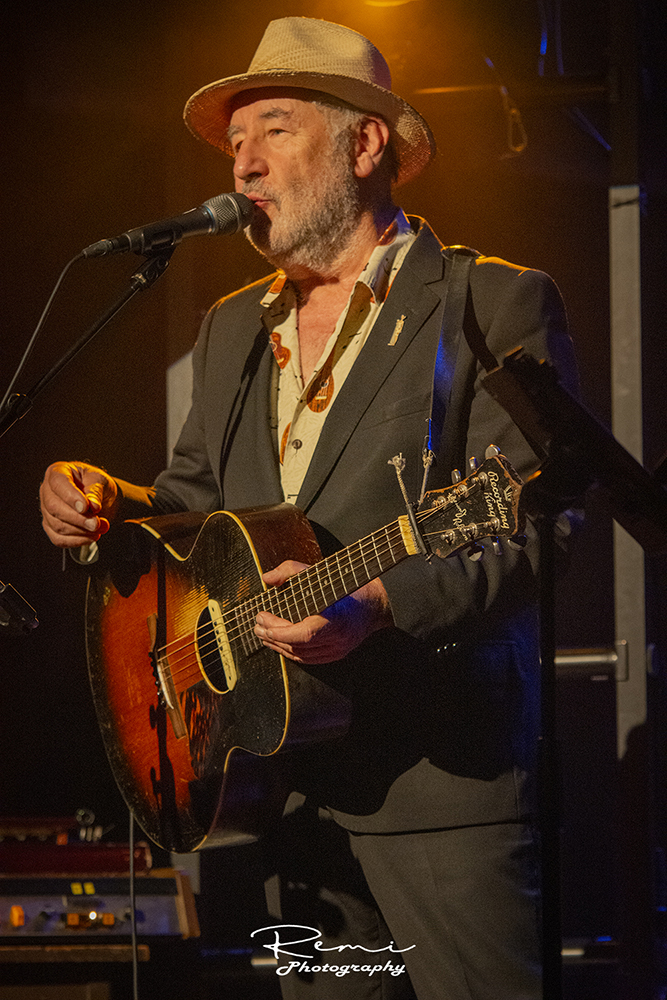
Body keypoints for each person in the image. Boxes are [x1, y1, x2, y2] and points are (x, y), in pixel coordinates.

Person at [39, 17, 577, 1000]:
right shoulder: (230, 329)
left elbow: (537, 524)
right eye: (234, 143)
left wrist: (376, 602)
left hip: (438, 784)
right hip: (284, 783)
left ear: (364, 145)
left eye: (274, 131)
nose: (243, 162)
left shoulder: (489, 303)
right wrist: (104, 503)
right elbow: (193, 508)